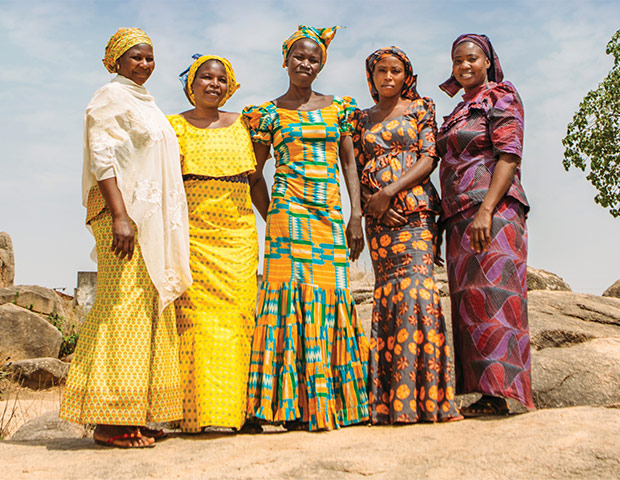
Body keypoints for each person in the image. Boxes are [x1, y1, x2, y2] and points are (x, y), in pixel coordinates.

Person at [59, 28, 192, 448]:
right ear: (115, 60)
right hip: (123, 218)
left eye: (150, 58)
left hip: (147, 220)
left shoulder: (146, 104)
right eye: (136, 57)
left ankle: (138, 412)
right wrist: (120, 216)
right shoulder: (109, 97)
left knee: (148, 307)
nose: (145, 64)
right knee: (121, 310)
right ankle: (108, 420)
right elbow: (103, 157)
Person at [242, 25, 369, 431]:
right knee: (286, 301)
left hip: (330, 217)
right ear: (285, 60)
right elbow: (254, 174)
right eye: (298, 56)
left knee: (331, 296)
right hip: (287, 218)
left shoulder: (340, 108)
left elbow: (350, 164)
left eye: (313, 58)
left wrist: (355, 215)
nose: (305, 63)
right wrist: (274, 216)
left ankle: (331, 404)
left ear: (321, 64)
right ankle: (289, 408)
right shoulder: (268, 114)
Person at [351, 46, 461, 424]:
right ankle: (388, 403)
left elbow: (429, 158)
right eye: (381, 71)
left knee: (418, 294)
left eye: (395, 71)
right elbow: (355, 167)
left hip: (414, 214)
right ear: (372, 76)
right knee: (388, 298)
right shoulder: (359, 119)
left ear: (406, 76)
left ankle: (430, 401)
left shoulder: (420, 109)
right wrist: (369, 201)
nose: (388, 77)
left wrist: (388, 192)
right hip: (379, 222)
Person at [436, 34, 534, 416]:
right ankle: (484, 393)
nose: (464, 66)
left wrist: (487, 209)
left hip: (493, 212)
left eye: (472, 59)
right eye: (457, 60)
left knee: (496, 295)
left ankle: (501, 394)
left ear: (487, 61)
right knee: (470, 302)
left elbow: (509, 155)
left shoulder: (501, 96)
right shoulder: (460, 109)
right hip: (459, 215)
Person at [168, 54, 259, 433]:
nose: (213, 84)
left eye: (221, 79)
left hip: (238, 236)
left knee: (240, 318)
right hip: (194, 236)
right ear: (191, 84)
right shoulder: (172, 127)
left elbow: (255, 182)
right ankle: (197, 414)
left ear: (230, 85)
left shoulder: (244, 125)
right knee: (197, 323)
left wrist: (278, 221)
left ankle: (240, 412)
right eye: (205, 77)